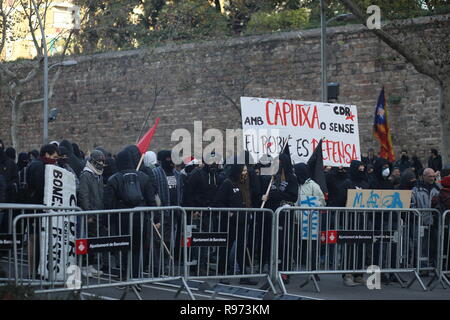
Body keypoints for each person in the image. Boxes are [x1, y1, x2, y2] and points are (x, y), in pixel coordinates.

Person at [104, 149, 156, 283]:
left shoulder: (113, 179)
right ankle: (136, 274)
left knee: (122, 246)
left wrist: (107, 222)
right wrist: (155, 218)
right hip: (141, 217)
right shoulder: (144, 177)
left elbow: (108, 203)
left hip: (121, 218)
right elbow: (151, 200)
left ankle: (125, 273)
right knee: (138, 247)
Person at [214, 161, 259, 285]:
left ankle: (243, 275)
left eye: (246, 171)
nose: (245, 173)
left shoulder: (244, 184)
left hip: (243, 221)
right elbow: (218, 202)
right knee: (226, 248)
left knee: (241, 249)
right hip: (230, 223)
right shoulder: (227, 184)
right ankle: (223, 274)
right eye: (243, 171)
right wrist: (229, 213)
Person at [26, 144, 59, 276]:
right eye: (54, 157)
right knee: (35, 240)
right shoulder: (39, 167)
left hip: (36, 207)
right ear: (46, 154)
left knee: (36, 239)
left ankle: (34, 270)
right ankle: (33, 271)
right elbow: (41, 187)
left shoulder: (37, 165)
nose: (55, 160)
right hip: (37, 208)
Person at [335, 160, 369, 286]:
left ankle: (359, 274)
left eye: (362, 169)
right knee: (349, 247)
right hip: (349, 220)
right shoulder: (347, 183)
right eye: (359, 169)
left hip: (362, 220)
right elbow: (340, 200)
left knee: (361, 247)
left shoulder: (365, 184)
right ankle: (347, 274)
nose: (361, 171)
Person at [78, 150, 106, 277]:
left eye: (102, 161)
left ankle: (90, 265)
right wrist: (88, 213)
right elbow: (84, 195)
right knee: (85, 240)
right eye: (98, 161)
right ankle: (83, 266)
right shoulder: (86, 175)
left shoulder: (99, 175)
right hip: (89, 213)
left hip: (97, 212)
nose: (101, 163)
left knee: (93, 240)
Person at [411, 168, 441, 273]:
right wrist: (417, 215)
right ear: (424, 176)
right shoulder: (416, 189)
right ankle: (422, 268)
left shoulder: (438, 188)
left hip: (435, 221)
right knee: (421, 245)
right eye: (430, 176)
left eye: (433, 176)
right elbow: (412, 204)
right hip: (420, 221)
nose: (432, 178)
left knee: (436, 245)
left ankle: (436, 266)